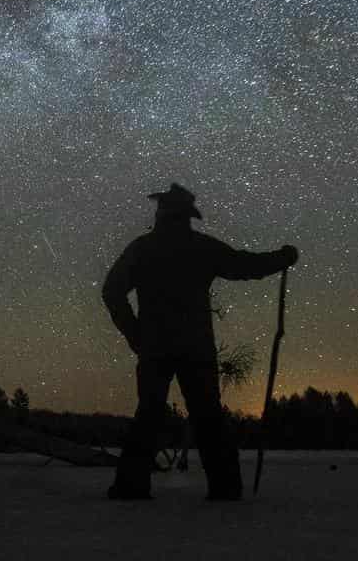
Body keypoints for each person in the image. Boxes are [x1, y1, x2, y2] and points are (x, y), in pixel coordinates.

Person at [102, 183, 298, 500]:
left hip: (159, 348)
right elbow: (243, 265)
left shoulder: (143, 248)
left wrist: (136, 334)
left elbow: (112, 291)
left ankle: (131, 485)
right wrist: (281, 258)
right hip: (194, 348)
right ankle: (225, 487)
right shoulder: (200, 248)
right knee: (207, 417)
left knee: (151, 414)